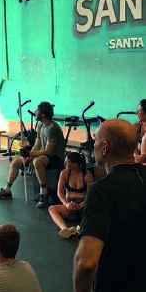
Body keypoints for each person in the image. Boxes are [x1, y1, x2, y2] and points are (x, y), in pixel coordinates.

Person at [73, 119, 146, 292]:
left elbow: (86, 263)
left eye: (96, 140)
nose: (94, 144)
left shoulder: (100, 191)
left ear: (105, 148)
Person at [0, 101, 66, 208]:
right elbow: (38, 144)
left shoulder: (52, 128)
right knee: (16, 162)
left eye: (37, 110)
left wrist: (32, 154)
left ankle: (43, 192)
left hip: (56, 157)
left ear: (43, 113)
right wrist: (29, 155)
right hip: (44, 155)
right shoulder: (40, 125)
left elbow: (49, 151)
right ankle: (7, 189)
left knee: (37, 161)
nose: (35, 112)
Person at [48, 152, 94, 239]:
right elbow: (60, 193)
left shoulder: (87, 175)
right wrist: (66, 204)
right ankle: (65, 229)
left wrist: (81, 205)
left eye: (69, 162)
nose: (66, 164)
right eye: (66, 161)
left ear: (76, 164)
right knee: (51, 209)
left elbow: (91, 195)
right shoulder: (64, 173)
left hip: (83, 207)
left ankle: (84, 227)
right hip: (70, 207)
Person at [133, 99, 146, 164]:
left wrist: (143, 156)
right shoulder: (137, 126)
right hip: (139, 159)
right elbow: (133, 143)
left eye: (139, 110)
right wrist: (136, 156)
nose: (136, 113)